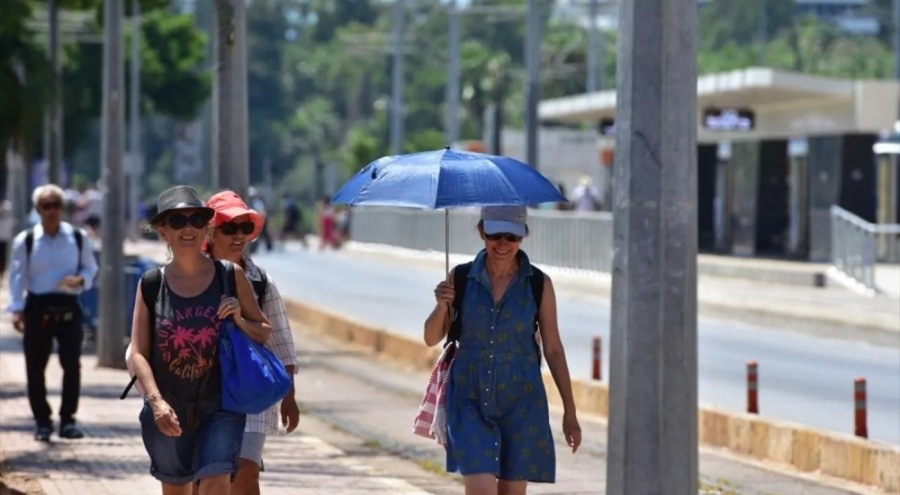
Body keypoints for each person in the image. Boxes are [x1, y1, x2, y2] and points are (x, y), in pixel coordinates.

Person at [423, 205, 582, 495]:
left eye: (512, 236)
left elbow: (554, 349)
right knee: (481, 488)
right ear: (482, 231)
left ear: (522, 237)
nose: (503, 244)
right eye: (496, 234)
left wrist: (569, 412)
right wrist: (442, 304)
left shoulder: (538, 284)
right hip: (470, 398)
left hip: (521, 401)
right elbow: (431, 337)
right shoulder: (460, 277)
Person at [128, 185, 273, 495]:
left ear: (207, 228)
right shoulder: (152, 284)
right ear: (163, 231)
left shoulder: (229, 275)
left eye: (196, 220)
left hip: (220, 405)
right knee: (177, 490)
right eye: (177, 222)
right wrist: (156, 403)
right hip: (169, 406)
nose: (188, 228)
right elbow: (138, 352)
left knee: (215, 484)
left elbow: (263, 330)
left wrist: (238, 318)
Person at [202, 190, 300, 495]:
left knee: (246, 473)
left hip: (250, 391)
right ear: (210, 233)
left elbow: (280, 340)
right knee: (204, 478)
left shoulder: (260, 281)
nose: (238, 236)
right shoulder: (189, 277)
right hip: (202, 391)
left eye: (244, 228)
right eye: (229, 228)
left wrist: (289, 396)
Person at [6, 184, 99, 442]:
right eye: (46, 206)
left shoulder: (78, 237)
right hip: (38, 307)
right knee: (35, 368)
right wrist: (16, 309)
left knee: (72, 365)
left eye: (56, 205)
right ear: (38, 209)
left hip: (69, 306)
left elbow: (91, 268)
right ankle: (42, 422)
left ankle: (68, 420)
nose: (52, 211)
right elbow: (17, 276)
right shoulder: (26, 240)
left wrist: (81, 280)